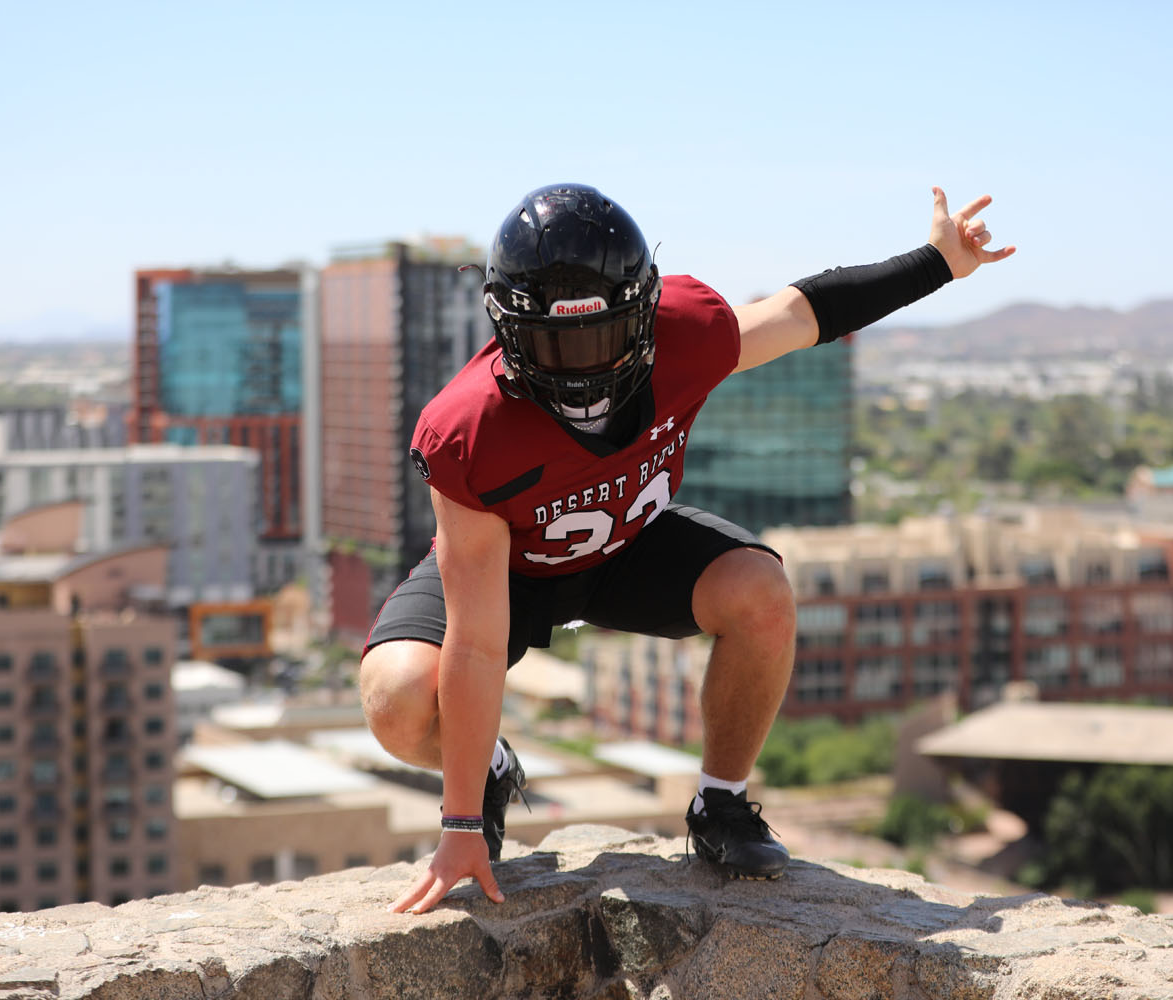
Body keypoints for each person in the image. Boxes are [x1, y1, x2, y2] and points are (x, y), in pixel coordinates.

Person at [364, 182, 1015, 914]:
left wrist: (938, 261)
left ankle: (722, 804)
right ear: (508, 333)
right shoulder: (469, 429)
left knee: (763, 596)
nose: (581, 366)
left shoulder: (690, 329)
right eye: (557, 342)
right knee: (396, 701)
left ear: (644, 314)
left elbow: (803, 312)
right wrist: (458, 823)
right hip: (512, 570)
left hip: (629, 544)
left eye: (599, 336)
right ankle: (488, 766)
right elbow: (479, 644)